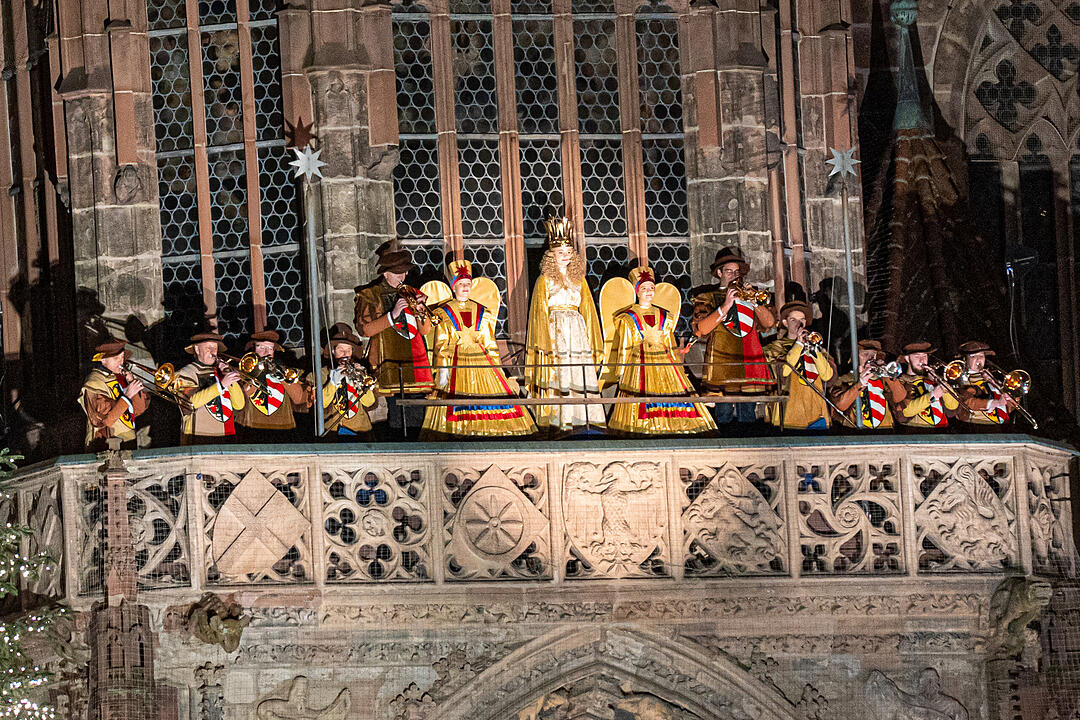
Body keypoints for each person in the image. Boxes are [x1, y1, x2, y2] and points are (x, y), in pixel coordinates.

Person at [421, 260, 536, 439]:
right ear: (453, 287)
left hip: (482, 362)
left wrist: (497, 369)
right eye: (461, 284)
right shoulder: (443, 313)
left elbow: (489, 342)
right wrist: (442, 371)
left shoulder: (482, 311)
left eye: (468, 284)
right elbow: (441, 344)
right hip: (455, 365)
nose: (465, 288)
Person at [600, 266, 716, 436]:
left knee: (673, 396)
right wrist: (620, 370)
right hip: (639, 363)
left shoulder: (664, 315)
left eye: (652, 288)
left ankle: (673, 427)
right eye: (644, 288)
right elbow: (625, 346)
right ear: (637, 291)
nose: (649, 292)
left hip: (664, 363)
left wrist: (677, 366)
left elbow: (669, 343)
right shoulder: (628, 317)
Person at [524, 217, 605, 435]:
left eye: (569, 251)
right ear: (552, 255)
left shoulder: (579, 279)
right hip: (555, 328)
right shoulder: (544, 280)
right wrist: (544, 343)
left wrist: (593, 339)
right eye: (561, 252)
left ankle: (584, 419)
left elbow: (588, 310)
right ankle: (561, 420)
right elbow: (539, 312)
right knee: (561, 371)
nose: (566, 255)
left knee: (578, 369)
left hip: (576, 329)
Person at [691, 247, 776, 427]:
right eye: (729, 272)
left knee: (749, 417)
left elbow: (769, 324)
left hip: (749, 363)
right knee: (724, 415)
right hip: (723, 366)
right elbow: (701, 329)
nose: (734, 276)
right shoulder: (706, 296)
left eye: (737, 272)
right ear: (719, 273)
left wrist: (755, 303)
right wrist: (726, 305)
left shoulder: (750, 295)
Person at [354, 239, 433, 432]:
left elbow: (425, 331)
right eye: (398, 273)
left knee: (418, 416)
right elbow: (364, 330)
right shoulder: (369, 295)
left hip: (416, 362)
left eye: (405, 272)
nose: (403, 276)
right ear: (386, 273)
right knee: (398, 419)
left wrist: (422, 310)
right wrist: (392, 315)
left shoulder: (413, 293)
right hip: (389, 363)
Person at [762, 301, 835, 430]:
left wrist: (815, 351)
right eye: (793, 320)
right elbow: (782, 372)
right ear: (785, 323)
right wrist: (798, 345)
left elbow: (827, 376)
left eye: (802, 320)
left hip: (816, 411)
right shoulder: (774, 347)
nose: (799, 324)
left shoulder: (817, 347)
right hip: (790, 413)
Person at [236, 330, 312, 442]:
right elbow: (241, 399)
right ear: (253, 349)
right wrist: (256, 373)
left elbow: (299, 399)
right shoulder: (242, 372)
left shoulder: (284, 371)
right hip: (251, 431)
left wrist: (282, 377)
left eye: (270, 348)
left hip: (284, 431)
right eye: (261, 348)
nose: (266, 352)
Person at [77, 339, 150, 451]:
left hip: (127, 441)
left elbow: (138, 410)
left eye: (122, 357)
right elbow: (101, 420)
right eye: (116, 358)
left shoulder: (113, 378)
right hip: (107, 445)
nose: (121, 362)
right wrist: (127, 396)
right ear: (103, 359)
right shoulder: (94, 383)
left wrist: (132, 384)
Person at [176, 332, 246, 445]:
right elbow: (188, 404)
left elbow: (239, 404)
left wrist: (227, 373)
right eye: (208, 347)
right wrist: (221, 385)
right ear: (197, 350)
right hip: (198, 438)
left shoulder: (221, 372)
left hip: (226, 438)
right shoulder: (187, 373)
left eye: (215, 347)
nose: (213, 351)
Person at [313, 324, 375, 438]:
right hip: (332, 430)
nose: (345, 354)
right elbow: (322, 404)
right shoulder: (323, 372)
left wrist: (361, 381)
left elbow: (369, 402)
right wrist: (332, 383)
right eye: (341, 350)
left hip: (361, 430)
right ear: (333, 351)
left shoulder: (360, 372)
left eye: (348, 350)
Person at [829, 339, 905, 429]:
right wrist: (860, 383)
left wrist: (888, 375)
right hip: (857, 435)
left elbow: (900, 397)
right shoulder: (844, 380)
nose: (870, 358)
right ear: (855, 357)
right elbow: (840, 406)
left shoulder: (883, 379)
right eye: (865, 354)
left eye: (873, 355)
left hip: (885, 432)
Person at [894, 341, 958, 429]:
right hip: (917, 434)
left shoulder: (932, 380)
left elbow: (953, 407)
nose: (922, 360)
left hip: (942, 433)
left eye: (924, 356)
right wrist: (933, 395)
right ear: (907, 359)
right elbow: (905, 411)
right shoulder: (900, 382)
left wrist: (940, 381)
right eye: (917, 356)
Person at [954, 340, 1014, 426]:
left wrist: (995, 383)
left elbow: (1012, 405)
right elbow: (967, 402)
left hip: (1000, 427)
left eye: (981, 356)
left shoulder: (992, 379)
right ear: (965, 359)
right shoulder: (961, 379)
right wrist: (995, 403)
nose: (978, 359)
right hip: (974, 425)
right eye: (973, 356)